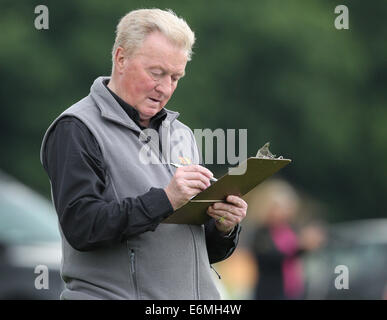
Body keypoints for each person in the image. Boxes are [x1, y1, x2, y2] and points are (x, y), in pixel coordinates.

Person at [40, 8, 247, 300]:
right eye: (157, 73)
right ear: (121, 59)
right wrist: (165, 199)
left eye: (176, 77)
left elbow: (195, 252)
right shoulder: (76, 128)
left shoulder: (183, 134)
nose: (165, 88)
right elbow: (82, 227)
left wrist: (224, 227)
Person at [247, 179, 324, 300]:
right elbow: (270, 257)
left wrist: (309, 244)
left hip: (293, 289)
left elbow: (296, 255)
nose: (283, 211)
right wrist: (300, 246)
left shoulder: (290, 228)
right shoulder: (261, 232)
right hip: (270, 291)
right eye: (278, 207)